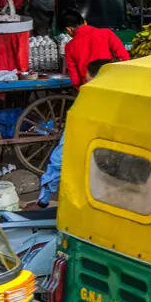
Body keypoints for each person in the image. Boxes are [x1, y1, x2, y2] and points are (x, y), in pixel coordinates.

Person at [35, 58, 115, 210]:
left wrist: (44, 198)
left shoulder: (89, 101)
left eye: (87, 79)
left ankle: (44, 200)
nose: (85, 83)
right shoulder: (117, 98)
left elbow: (62, 156)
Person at [61, 9, 129, 88]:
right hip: (111, 82)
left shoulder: (70, 47)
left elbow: (75, 79)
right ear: (85, 22)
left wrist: (80, 89)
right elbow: (124, 57)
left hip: (89, 87)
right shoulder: (106, 33)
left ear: (69, 29)